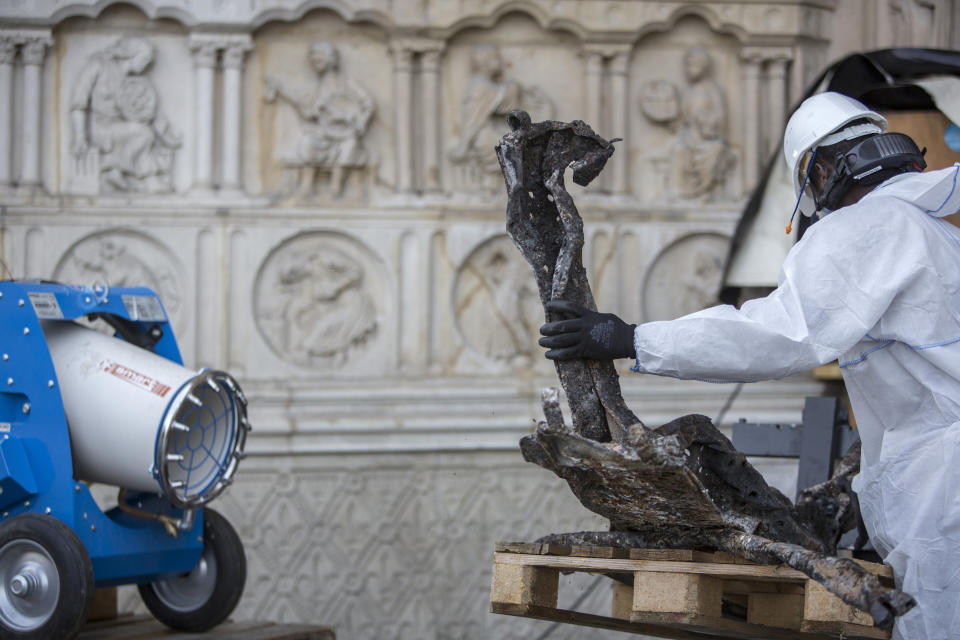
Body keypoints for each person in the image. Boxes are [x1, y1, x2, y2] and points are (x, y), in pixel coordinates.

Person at [538, 91, 960, 639]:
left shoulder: (862, 228)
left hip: (944, 482)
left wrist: (632, 339)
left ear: (823, 170)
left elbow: (777, 334)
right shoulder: (937, 233)